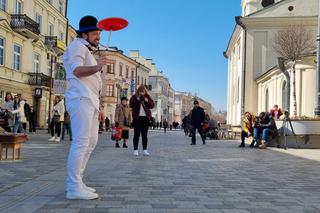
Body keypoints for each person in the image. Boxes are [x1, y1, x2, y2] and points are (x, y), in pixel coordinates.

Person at [63, 15, 108, 200]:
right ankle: (73, 186)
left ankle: (78, 182)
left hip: (90, 101)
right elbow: (77, 70)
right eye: (95, 32)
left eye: (99, 32)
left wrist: (101, 105)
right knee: (81, 143)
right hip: (80, 99)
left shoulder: (87, 49)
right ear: (85, 33)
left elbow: (93, 83)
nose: (98, 36)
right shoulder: (77, 46)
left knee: (91, 143)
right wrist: (97, 67)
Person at [129, 85, 154, 156]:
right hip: (137, 118)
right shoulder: (134, 97)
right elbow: (131, 105)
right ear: (138, 91)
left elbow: (152, 106)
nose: (142, 93)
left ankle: (145, 150)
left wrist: (147, 100)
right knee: (136, 134)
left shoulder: (147, 97)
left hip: (145, 118)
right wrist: (137, 99)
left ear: (145, 92)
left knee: (144, 135)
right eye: (140, 92)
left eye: (143, 92)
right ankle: (135, 150)